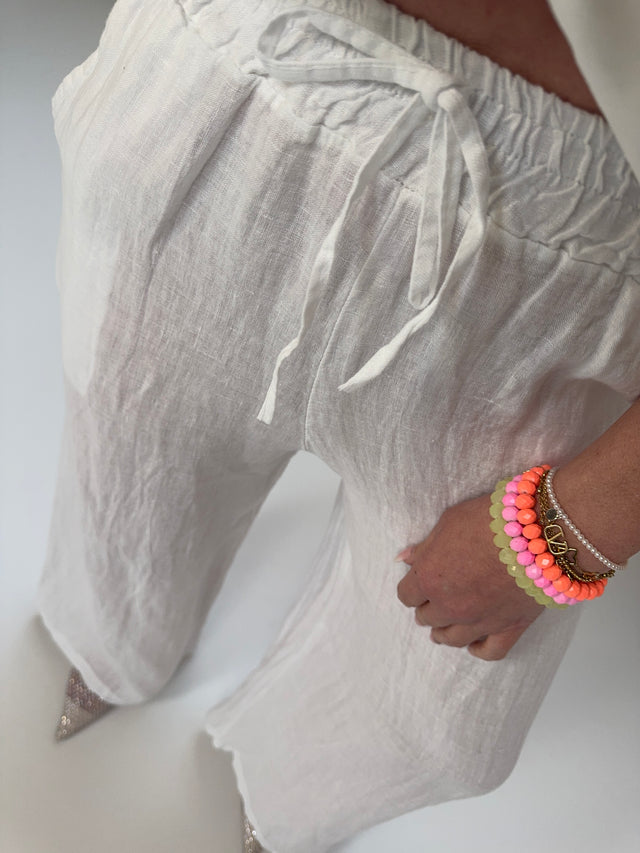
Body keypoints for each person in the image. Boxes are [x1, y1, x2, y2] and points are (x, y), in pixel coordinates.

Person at [40, 1, 639, 851]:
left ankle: (288, 786)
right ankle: (112, 645)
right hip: (245, 77)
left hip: (558, 265)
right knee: (128, 477)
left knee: (442, 728)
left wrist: (570, 528)